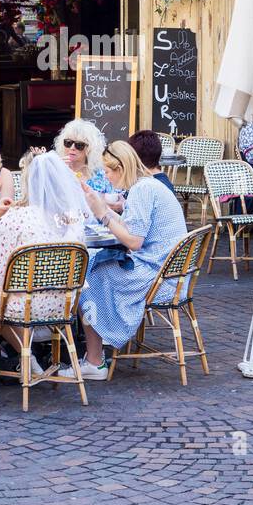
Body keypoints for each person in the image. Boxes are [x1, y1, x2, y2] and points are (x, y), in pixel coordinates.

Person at [62, 141, 189, 381]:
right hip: (171, 272)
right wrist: (103, 209)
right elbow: (132, 230)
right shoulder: (147, 185)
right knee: (93, 266)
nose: (107, 178)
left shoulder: (142, 190)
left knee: (85, 275)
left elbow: (133, 241)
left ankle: (94, 360)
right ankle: (95, 352)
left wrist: (102, 215)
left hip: (158, 277)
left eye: (109, 172)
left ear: (121, 167)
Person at [0, 151, 90, 377]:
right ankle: (31, 350)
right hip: (63, 304)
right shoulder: (73, 218)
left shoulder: (19, 217)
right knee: (0, 288)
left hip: (25, 305)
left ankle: (26, 354)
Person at [53, 118, 112, 192]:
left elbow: (108, 201)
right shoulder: (55, 170)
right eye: (68, 143)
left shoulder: (102, 176)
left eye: (79, 145)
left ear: (90, 148)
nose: (72, 148)